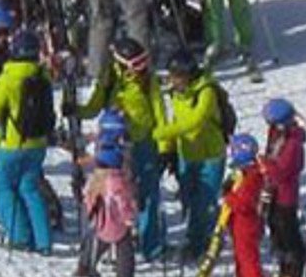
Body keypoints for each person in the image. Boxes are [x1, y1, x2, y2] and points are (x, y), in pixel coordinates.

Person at [83, 38, 167, 262]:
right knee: (117, 195)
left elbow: (159, 112)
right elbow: (94, 105)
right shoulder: (109, 79)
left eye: (143, 64)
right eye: (135, 66)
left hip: (143, 144)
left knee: (148, 193)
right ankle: (118, 240)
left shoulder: (148, 81)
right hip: (115, 148)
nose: (140, 70)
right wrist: (78, 111)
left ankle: (152, 244)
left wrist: (165, 145)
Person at [0, 27, 54, 254]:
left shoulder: (9, 78)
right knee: (30, 189)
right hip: (37, 144)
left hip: (10, 144)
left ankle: (19, 236)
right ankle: (44, 240)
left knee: (4, 189)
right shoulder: (43, 76)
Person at [154, 53, 228, 260]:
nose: (172, 80)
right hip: (187, 155)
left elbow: (194, 123)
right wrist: (165, 149)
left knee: (203, 201)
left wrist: (158, 134)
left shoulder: (206, 92)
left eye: (176, 76)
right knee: (188, 199)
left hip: (211, 155)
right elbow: (174, 120)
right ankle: (204, 234)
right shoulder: (175, 93)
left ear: (187, 75)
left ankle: (198, 243)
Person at [82, 116, 140, 277]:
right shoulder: (117, 182)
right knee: (124, 250)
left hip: (101, 221)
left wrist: (89, 211)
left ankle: (85, 266)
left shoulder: (96, 180)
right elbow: (123, 203)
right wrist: (130, 216)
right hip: (118, 223)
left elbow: (87, 197)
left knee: (97, 243)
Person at [261, 98, 306, 277]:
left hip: (285, 198)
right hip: (274, 193)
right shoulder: (278, 134)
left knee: (289, 234)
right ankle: (284, 264)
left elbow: (281, 172)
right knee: (276, 230)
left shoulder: (292, 145)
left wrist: (265, 164)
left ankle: (295, 267)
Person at [221, 133, 267, 277]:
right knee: (241, 257)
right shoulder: (245, 173)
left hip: (245, 225)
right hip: (240, 224)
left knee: (248, 259)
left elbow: (244, 203)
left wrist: (229, 197)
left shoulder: (251, 178)